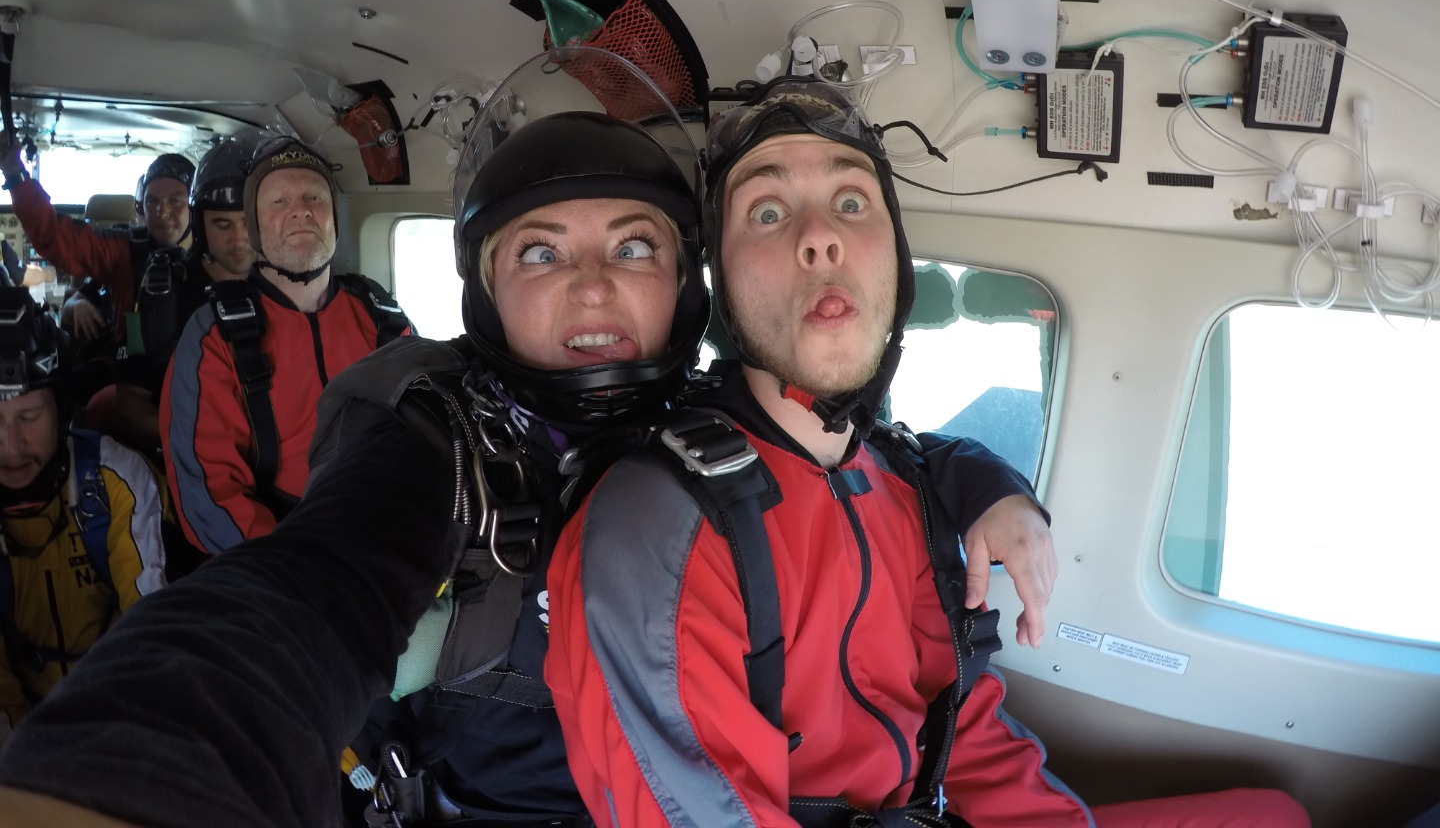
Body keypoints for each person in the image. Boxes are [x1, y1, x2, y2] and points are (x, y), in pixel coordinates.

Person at [0, 47, 1055, 828]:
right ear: (487, 295)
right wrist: (125, 779)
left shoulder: (705, 417)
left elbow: (873, 454)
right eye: (542, 253)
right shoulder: (437, 439)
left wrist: (984, 483)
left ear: (687, 291)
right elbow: (300, 600)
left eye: (633, 248)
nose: (593, 285)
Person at [544, 77, 1311, 827]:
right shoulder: (658, 526)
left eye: (851, 202)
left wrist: (994, 486)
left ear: (895, 256)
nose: (820, 236)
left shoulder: (901, 482)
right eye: (767, 212)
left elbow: (958, 728)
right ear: (720, 283)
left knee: (1274, 814)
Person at [160, 135, 409, 554]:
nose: (301, 210)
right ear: (254, 226)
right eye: (279, 201)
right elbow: (211, 494)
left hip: (391, 532)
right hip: (284, 557)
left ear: (334, 218)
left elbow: (427, 433)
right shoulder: (214, 337)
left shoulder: (382, 315)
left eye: (315, 197)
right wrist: (298, 571)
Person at [0, 287, 166, 747]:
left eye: (28, 416)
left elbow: (148, 629)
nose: (11, 446)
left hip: (116, 710)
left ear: (62, 409)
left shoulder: (114, 479)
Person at [78, 135, 260, 457]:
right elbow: (128, 410)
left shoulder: (290, 288)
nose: (238, 238)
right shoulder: (159, 289)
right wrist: (206, 445)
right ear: (200, 223)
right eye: (222, 223)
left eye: (249, 222)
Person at [0, 139, 194, 348]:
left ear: (194, 205)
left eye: (175, 201)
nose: (161, 213)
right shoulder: (124, 249)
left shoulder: (213, 255)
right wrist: (14, 171)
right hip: (129, 366)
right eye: (152, 201)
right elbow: (56, 236)